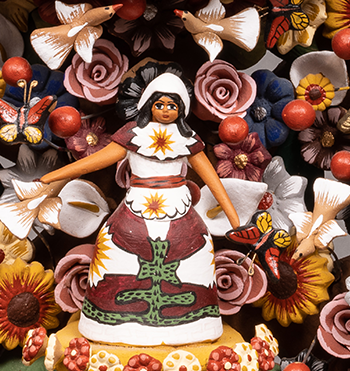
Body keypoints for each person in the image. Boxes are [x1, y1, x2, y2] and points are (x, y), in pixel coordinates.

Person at [29, 65, 240, 346]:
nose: (165, 110)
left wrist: (235, 221)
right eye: (160, 104)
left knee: (198, 247)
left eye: (173, 106)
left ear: (182, 110)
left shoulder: (188, 140)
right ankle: (112, 321)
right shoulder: (133, 135)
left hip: (179, 209)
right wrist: (51, 177)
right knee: (113, 244)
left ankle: (192, 322)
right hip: (136, 207)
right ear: (148, 104)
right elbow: (95, 161)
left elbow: (213, 181)